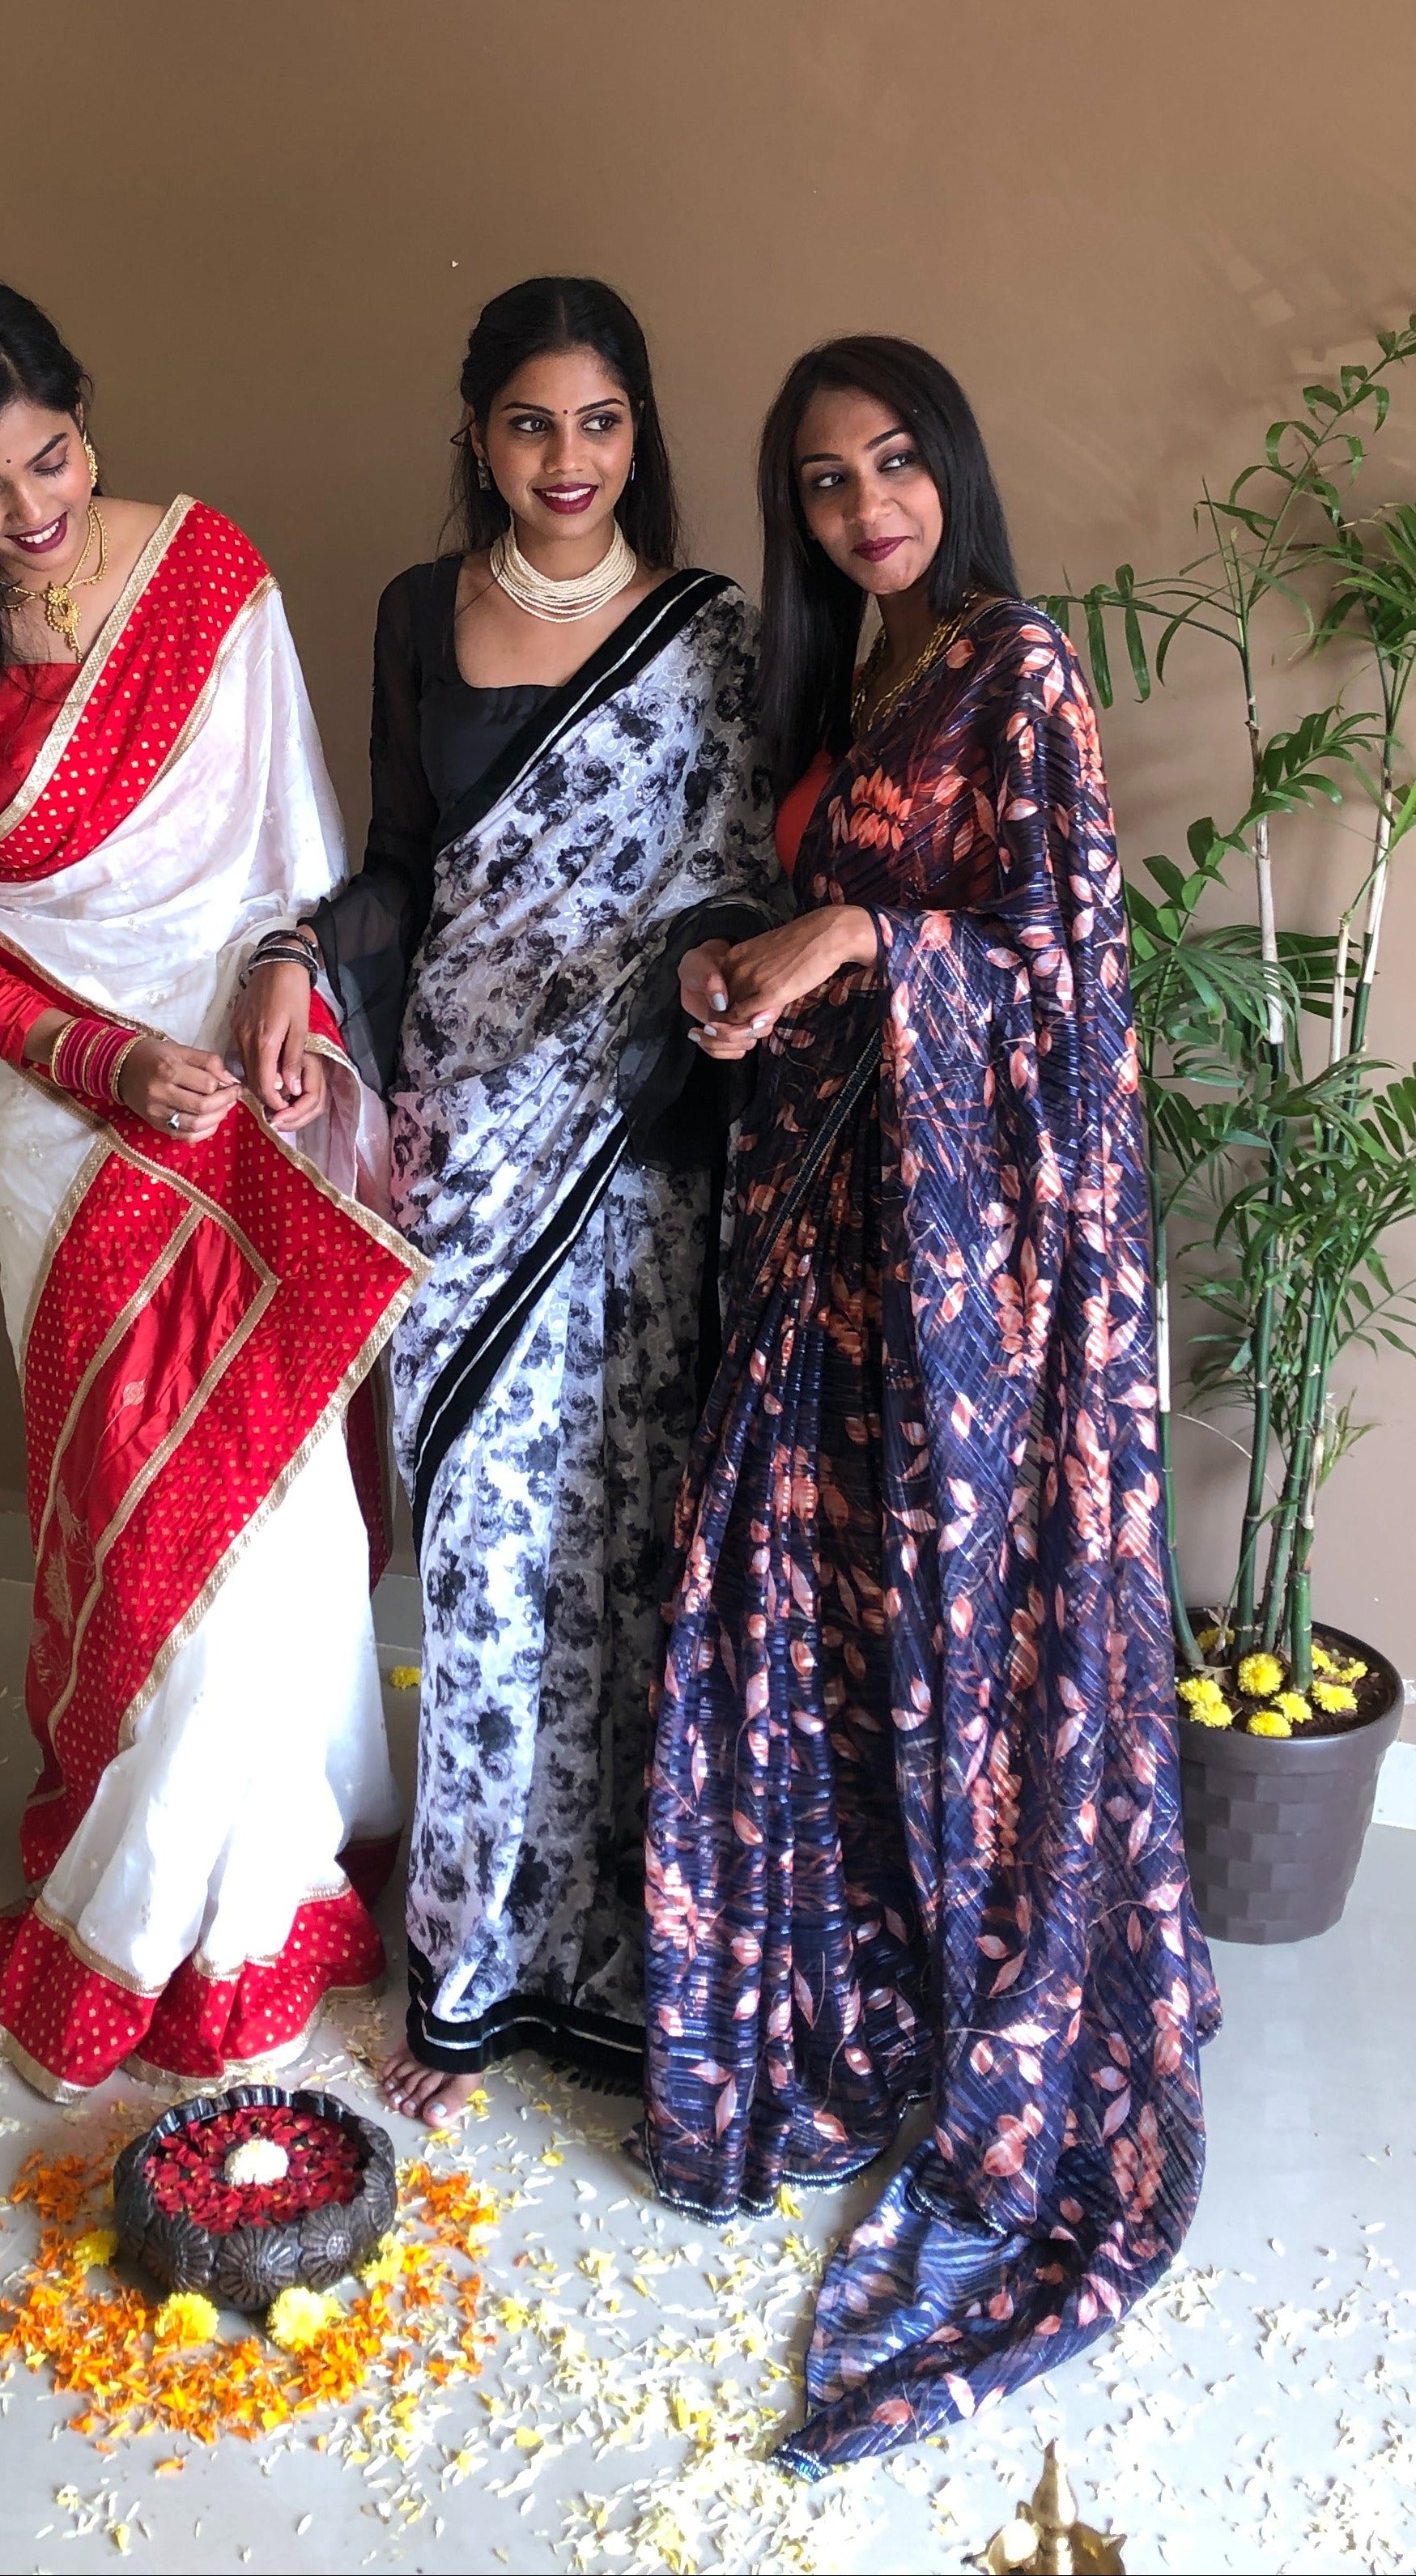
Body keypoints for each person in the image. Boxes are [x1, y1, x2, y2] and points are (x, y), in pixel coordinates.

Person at [640, 336, 1220, 2468]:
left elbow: (1068, 970)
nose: (868, 501)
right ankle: (826, 2017)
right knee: (784, 1622)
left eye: (896, 462)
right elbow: (817, 916)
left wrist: (857, 948)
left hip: (958, 1288)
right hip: (820, 1231)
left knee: (935, 1643)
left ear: (952, 466)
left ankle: (957, 2030)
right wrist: (749, 966)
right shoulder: (855, 679)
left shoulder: (1015, 665)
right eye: (822, 478)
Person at [0, 271, 421, 2101]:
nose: (33, 513)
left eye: (54, 459)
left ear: (87, 415)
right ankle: (158, 1898)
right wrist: (95, 1061)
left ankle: (272, 1893)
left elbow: (297, 861)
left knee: (282, 1518)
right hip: (63, 1117)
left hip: (240, 1080)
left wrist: (277, 999)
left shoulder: (212, 582)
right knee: (152, 1509)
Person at [295, 276, 781, 2127]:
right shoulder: (421, 613)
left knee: (628, 1551)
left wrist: (657, 991)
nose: (562, 462)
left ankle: (628, 1970)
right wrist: (292, 951)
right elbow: (399, 873)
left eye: (594, 424)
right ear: (475, 433)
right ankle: (475, 1971)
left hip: (635, 1158)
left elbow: (734, 882)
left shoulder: (708, 636)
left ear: (637, 429)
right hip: (457, 1146)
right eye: (524, 424)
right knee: (484, 1562)